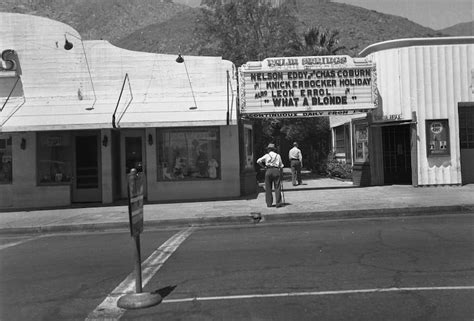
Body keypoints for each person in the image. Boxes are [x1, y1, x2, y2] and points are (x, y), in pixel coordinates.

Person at [257, 143, 284, 208]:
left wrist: (264, 166)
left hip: (268, 171)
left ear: (268, 149)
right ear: (274, 149)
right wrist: (281, 174)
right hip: (276, 170)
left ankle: (269, 203)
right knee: (277, 187)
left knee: (268, 188)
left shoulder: (267, 155)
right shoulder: (278, 155)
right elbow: (281, 166)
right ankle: (278, 203)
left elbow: (258, 161)